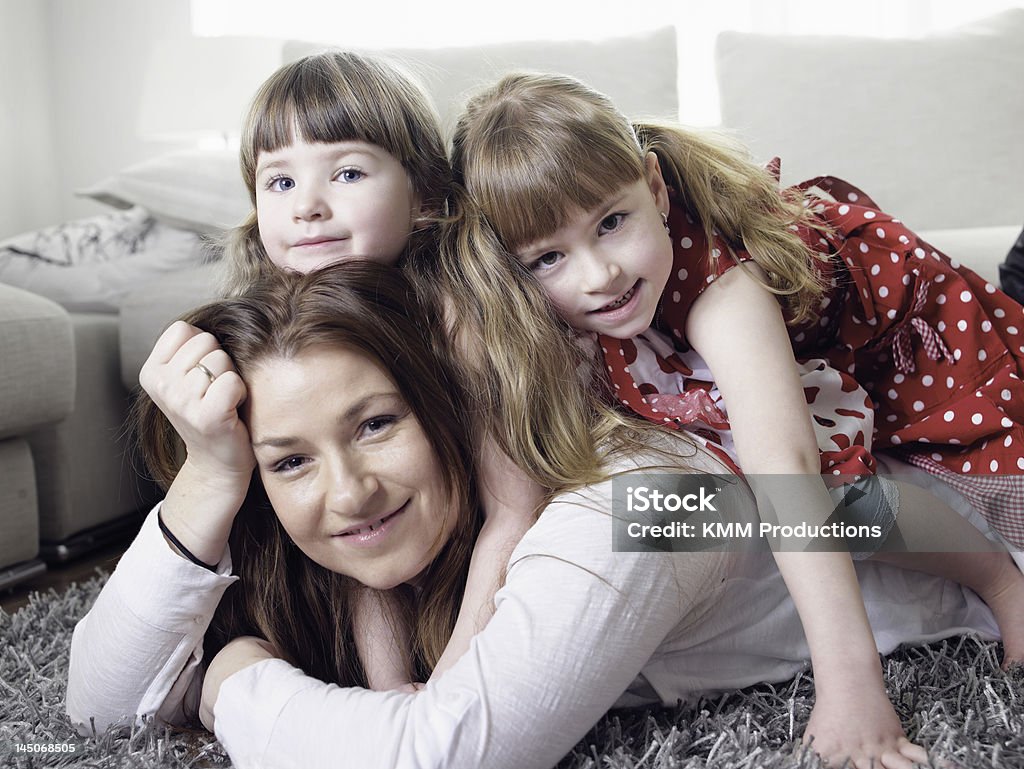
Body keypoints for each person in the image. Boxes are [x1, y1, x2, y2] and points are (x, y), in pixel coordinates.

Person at [67, 262, 1013, 769]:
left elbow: (437, 757)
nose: (349, 492)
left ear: (449, 406)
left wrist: (232, 675)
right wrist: (207, 476)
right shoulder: (362, 553)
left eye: (378, 423)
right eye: (290, 460)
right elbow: (99, 712)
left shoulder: (630, 501)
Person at [447, 71, 1024, 766]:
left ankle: (1000, 579)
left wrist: (851, 685)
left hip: (920, 334)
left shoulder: (723, 288)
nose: (597, 273)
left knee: (847, 495)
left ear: (654, 189)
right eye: (549, 258)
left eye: (611, 222)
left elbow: (785, 467)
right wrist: (451, 670)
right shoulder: (532, 305)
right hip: (820, 349)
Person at [155, 49, 549, 691]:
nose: (306, 206)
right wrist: (388, 696)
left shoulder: (460, 315)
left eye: (346, 173)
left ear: (424, 196)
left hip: (493, 538)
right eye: (279, 182)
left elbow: (513, 508)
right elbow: (348, 558)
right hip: (385, 547)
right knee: (352, 518)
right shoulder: (280, 334)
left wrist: (452, 686)